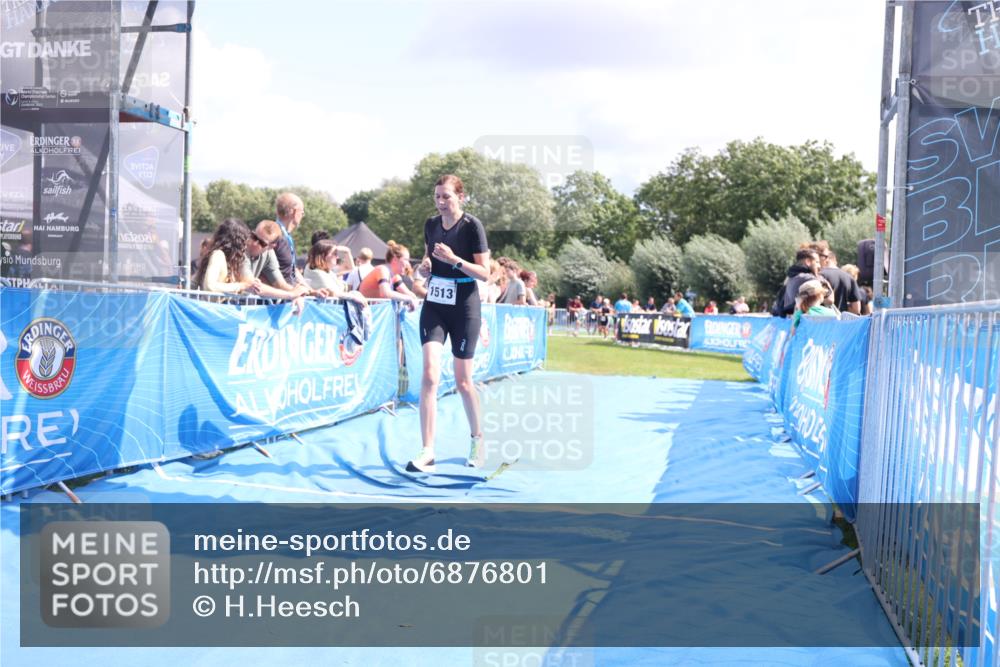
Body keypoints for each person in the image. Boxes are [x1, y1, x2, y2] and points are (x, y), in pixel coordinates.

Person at [407, 174, 491, 474]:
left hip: (465, 307)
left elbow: (486, 273)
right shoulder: (431, 225)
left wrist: (455, 260)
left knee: (463, 382)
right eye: (437, 197)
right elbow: (428, 260)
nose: (441, 202)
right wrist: (425, 267)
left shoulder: (472, 226)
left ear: (460, 197)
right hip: (435, 305)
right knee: (429, 375)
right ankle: (428, 451)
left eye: (447, 197)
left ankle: (477, 439)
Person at [194, 218, 252, 293]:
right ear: (237, 242)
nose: (245, 246)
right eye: (243, 241)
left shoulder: (227, 259)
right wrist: (240, 286)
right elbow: (209, 286)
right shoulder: (218, 255)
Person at [358, 241, 419, 310]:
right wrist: (409, 299)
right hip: (365, 311)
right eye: (406, 260)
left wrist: (414, 299)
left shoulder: (395, 277)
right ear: (395, 259)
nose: (408, 264)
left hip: (375, 311)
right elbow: (385, 293)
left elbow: (409, 294)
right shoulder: (382, 270)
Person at [773, 248, 825, 317]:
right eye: (817, 262)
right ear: (808, 261)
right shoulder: (808, 278)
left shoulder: (790, 277)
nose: (819, 266)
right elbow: (830, 299)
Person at [815, 244, 862, 315]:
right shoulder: (849, 278)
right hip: (841, 320)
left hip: (821, 319)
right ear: (835, 260)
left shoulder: (818, 276)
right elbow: (856, 309)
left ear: (827, 259)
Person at [273, 192, 306, 286]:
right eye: (302, 213)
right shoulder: (274, 235)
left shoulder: (286, 236)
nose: (302, 216)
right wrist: (291, 291)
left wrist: (312, 290)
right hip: (279, 293)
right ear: (294, 212)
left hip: (290, 290)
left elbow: (293, 270)